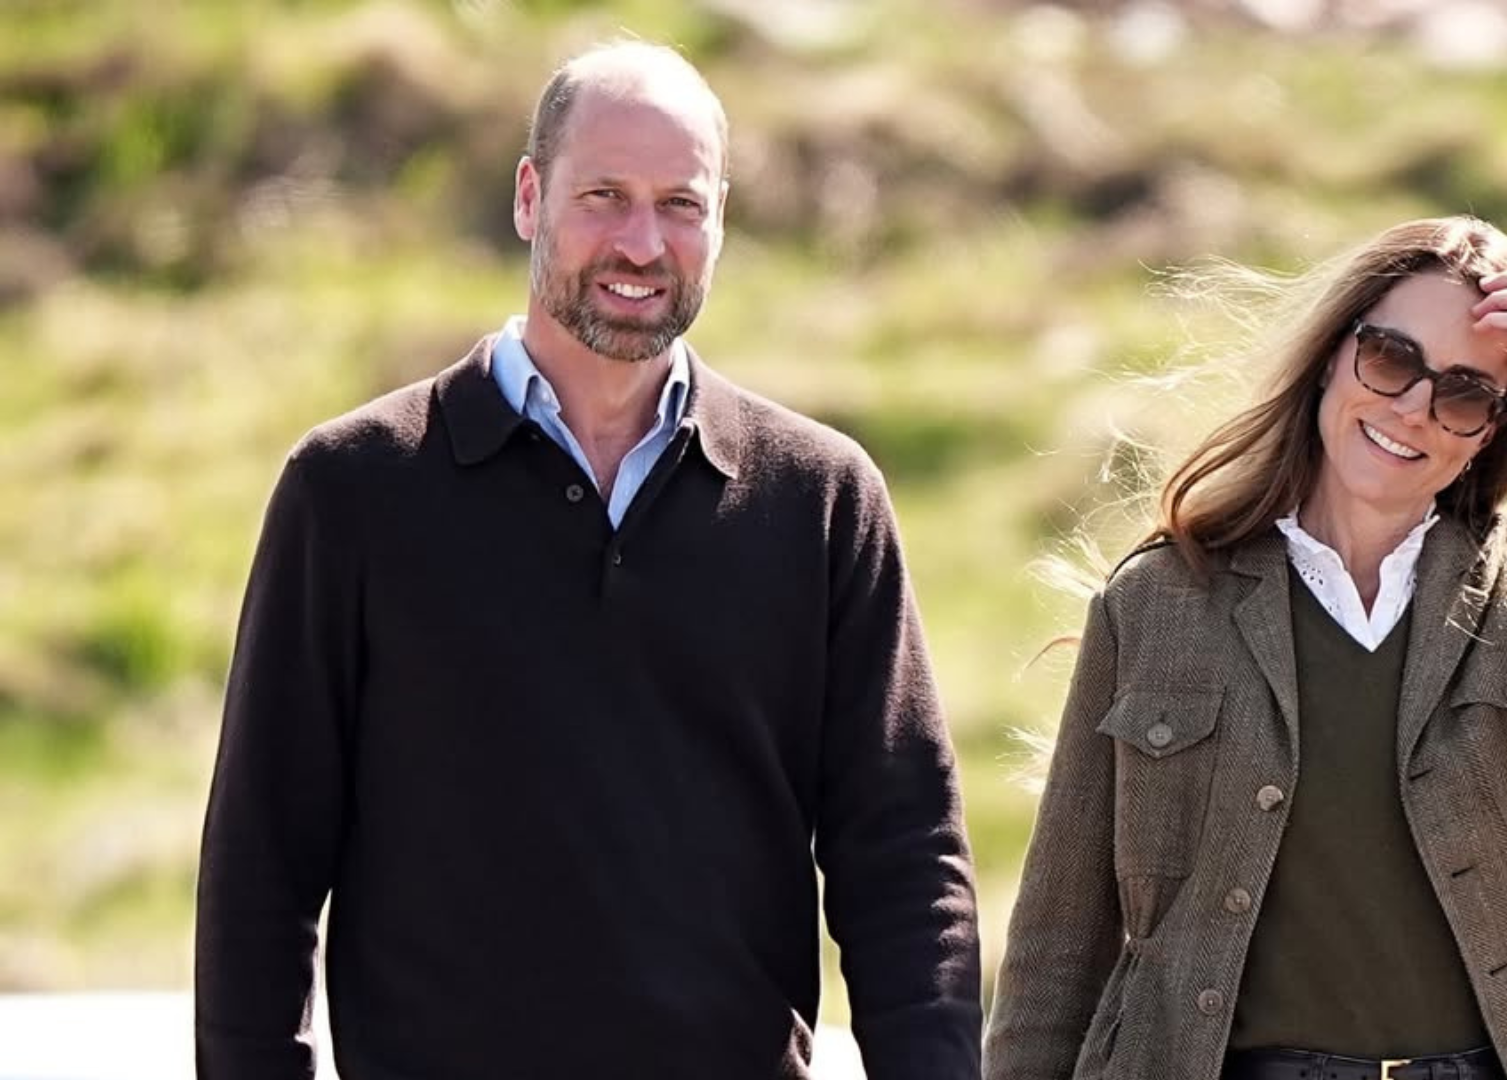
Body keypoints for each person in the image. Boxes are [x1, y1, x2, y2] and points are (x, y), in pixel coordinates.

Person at [195, 40, 982, 1080]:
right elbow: (262, 864)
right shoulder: (353, 488)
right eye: (604, 196)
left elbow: (905, 858)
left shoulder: (821, 500)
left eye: (680, 204)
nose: (642, 243)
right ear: (530, 198)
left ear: (721, 218)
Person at [983, 216, 1507, 1080]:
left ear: (1493, 431)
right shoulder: (1158, 602)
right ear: (1333, 355)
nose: (1413, 408)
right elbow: (1056, 947)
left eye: (1465, 394)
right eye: (1390, 357)